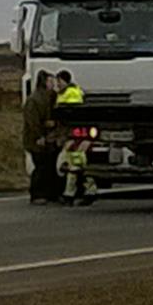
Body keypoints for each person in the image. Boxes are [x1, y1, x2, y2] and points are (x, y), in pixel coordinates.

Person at [55, 70, 95, 205]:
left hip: (75, 134)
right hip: (74, 134)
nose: (57, 84)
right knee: (75, 165)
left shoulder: (71, 93)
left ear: (65, 81)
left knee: (76, 165)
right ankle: (76, 193)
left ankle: (77, 193)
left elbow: (72, 116)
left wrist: (72, 136)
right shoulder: (67, 92)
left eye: (59, 81)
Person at [21, 70, 60, 204]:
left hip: (49, 137)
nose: (53, 84)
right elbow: (32, 121)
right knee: (40, 166)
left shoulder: (52, 97)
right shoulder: (34, 99)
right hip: (36, 138)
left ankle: (51, 193)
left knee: (50, 165)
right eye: (50, 81)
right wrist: (39, 136)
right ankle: (37, 194)